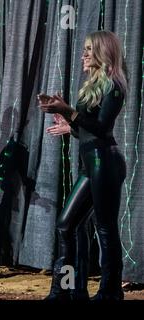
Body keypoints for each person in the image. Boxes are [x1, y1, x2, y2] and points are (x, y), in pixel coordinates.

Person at [38, 30, 127, 301]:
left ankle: (110, 293)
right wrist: (71, 125)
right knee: (66, 225)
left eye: (89, 49)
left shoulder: (114, 85)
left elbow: (101, 127)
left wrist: (68, 112)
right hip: (91, 163)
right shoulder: (92, 85)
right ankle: (68, 291)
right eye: (85, 49)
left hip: (105, 162)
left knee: (105, 228)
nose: (84, 54)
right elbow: (86, 130)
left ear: (103, 52)